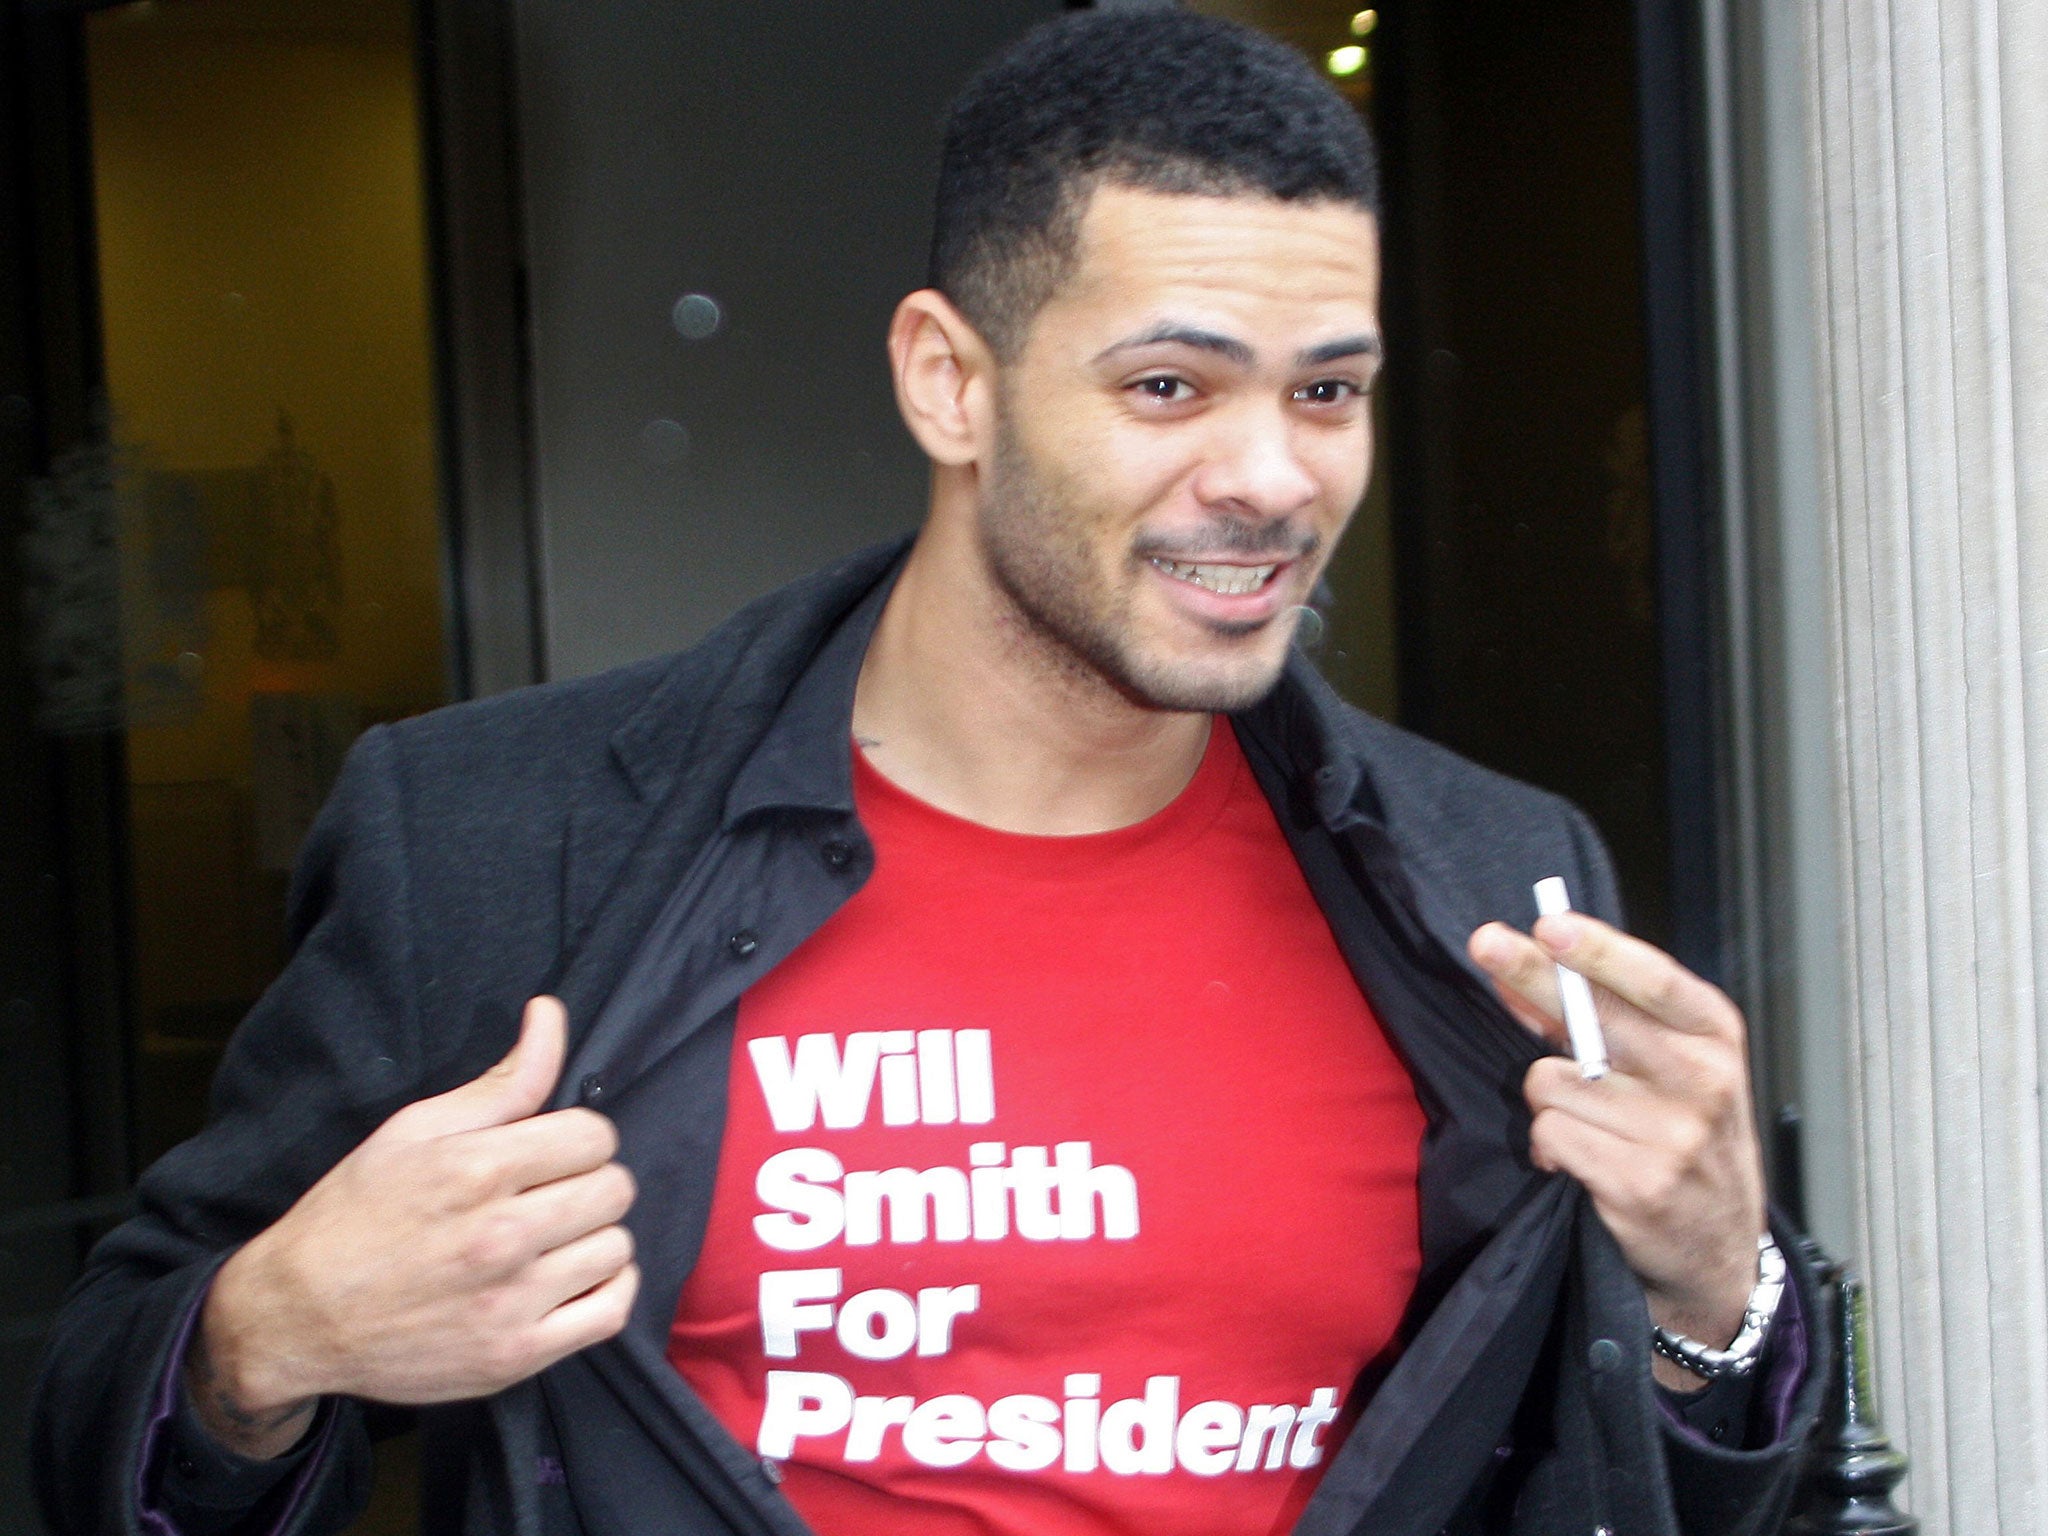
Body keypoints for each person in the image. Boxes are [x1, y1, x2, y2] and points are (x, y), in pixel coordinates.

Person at [33, 11, 1822, 1535]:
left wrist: (1719, 1292)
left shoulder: (1491, 881)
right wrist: (269, 1338)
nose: (1274, 478)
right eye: (1172, 387)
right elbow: (106, 1424)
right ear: (949, 383)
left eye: (1328, 393)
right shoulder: (508, 840)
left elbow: (1662, 1478)